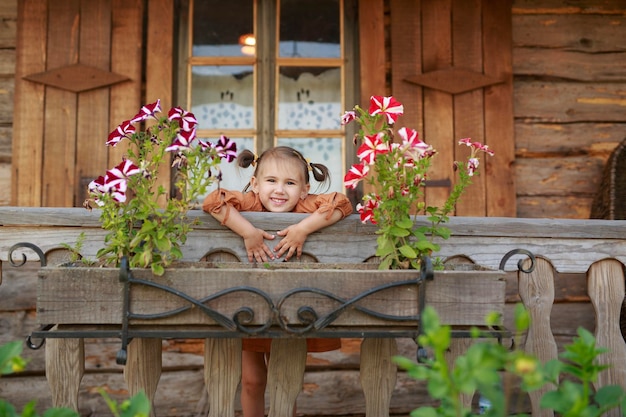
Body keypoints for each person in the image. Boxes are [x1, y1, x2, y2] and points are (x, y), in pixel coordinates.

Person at [202, 146, 353, 417]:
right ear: (255, 184)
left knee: (285, 379)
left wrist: (302, 229)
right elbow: (213, 200)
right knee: (252, 380)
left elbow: (342, 203)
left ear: (304, 190)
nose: (280, 190)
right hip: (249, 305)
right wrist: (248, 232)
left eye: (290, 183)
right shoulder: (250, 202)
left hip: (291, 305)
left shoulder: (304, 206)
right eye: (271, 181)